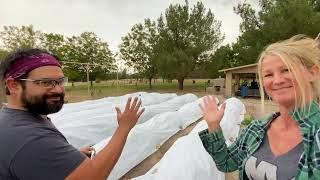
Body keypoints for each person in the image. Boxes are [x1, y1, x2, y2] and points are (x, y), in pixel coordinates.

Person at [0, 48, 145, 180]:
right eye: (45, 82)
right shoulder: (31, 139)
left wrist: (68, 159)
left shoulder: (11, 119)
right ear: (14, 85)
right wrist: (124, 127)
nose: (58, 90)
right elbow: (93, 176)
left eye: (60, 81)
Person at [199, 34, 320, 180]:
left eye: (286, 70)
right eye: (268, 75)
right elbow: (226, 163)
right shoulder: (255, 129)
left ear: (312, 73)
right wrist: (213, 125)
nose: (277, 80)